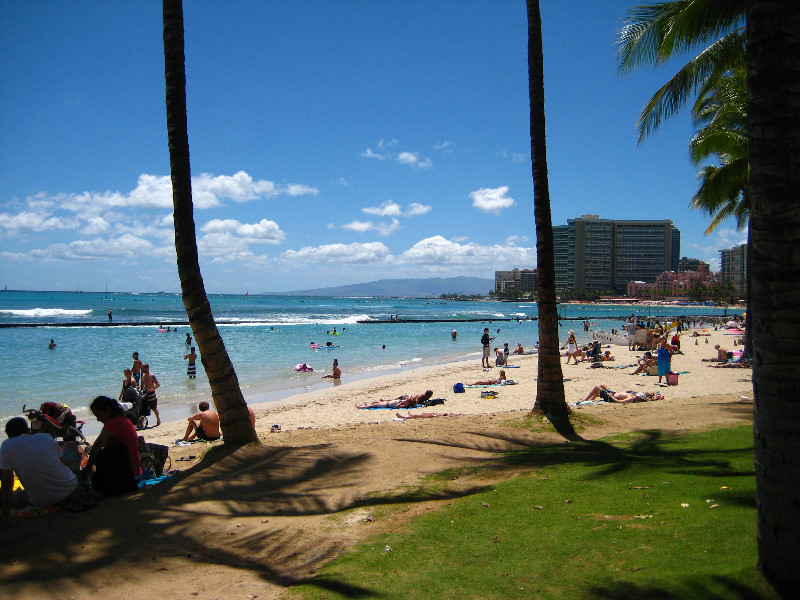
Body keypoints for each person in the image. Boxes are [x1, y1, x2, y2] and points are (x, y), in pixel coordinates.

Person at [1, 417, 80, 516]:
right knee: (70, 445)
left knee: (16, 496)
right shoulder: (45, 437)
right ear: (28, 430)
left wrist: (5, 513)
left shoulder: (6, 446)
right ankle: (80, 475)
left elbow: (7, 481)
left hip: (40, 502)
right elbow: (64, 463)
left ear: (8, 435)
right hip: (71, 491)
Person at [83, 396, 141, 496]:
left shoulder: (112, 423)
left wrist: (88, 469)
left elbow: (97, 444)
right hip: (136, 474)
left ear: (108, 409)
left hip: (128, 477)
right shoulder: (123, 419)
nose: (98, 419)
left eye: (99, 415)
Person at [357, 390, 433, 410]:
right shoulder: (420, 397)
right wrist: (407, 399)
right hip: (389, 402)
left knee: (374, 405)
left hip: (388, 404)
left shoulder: (406, 404)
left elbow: (397, 406)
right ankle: (367, 405)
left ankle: (361, 407)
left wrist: (403, 402)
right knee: (375, 404)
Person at [395, 412, 461, 420]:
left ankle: (402, 417)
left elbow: (435, 416)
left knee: (416, 416)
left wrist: (432, 415)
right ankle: (410, 415)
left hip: (430, 416)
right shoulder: (449, 414)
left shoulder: (447, 416)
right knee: (417, 415)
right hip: (431, 414)